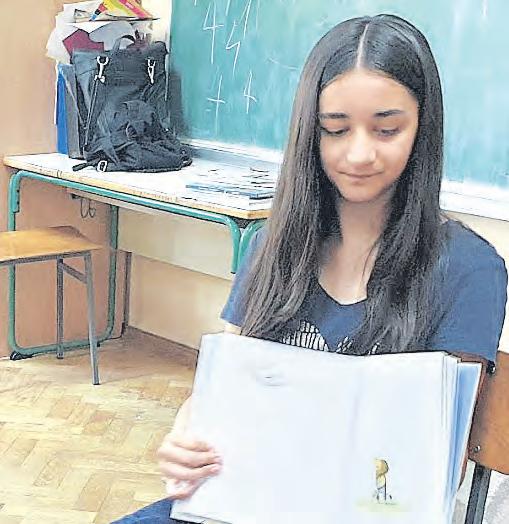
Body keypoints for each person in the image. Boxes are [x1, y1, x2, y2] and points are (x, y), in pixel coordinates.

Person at [113, 13, 507, 523]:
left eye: (387, 129)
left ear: (423, 127)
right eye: (335, 129)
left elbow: (437, 463)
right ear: (310, 130)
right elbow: (221, 392)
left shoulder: (468, 269)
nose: (359, 154)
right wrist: (186, 435)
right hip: (245, 499)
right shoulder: (274, 245)